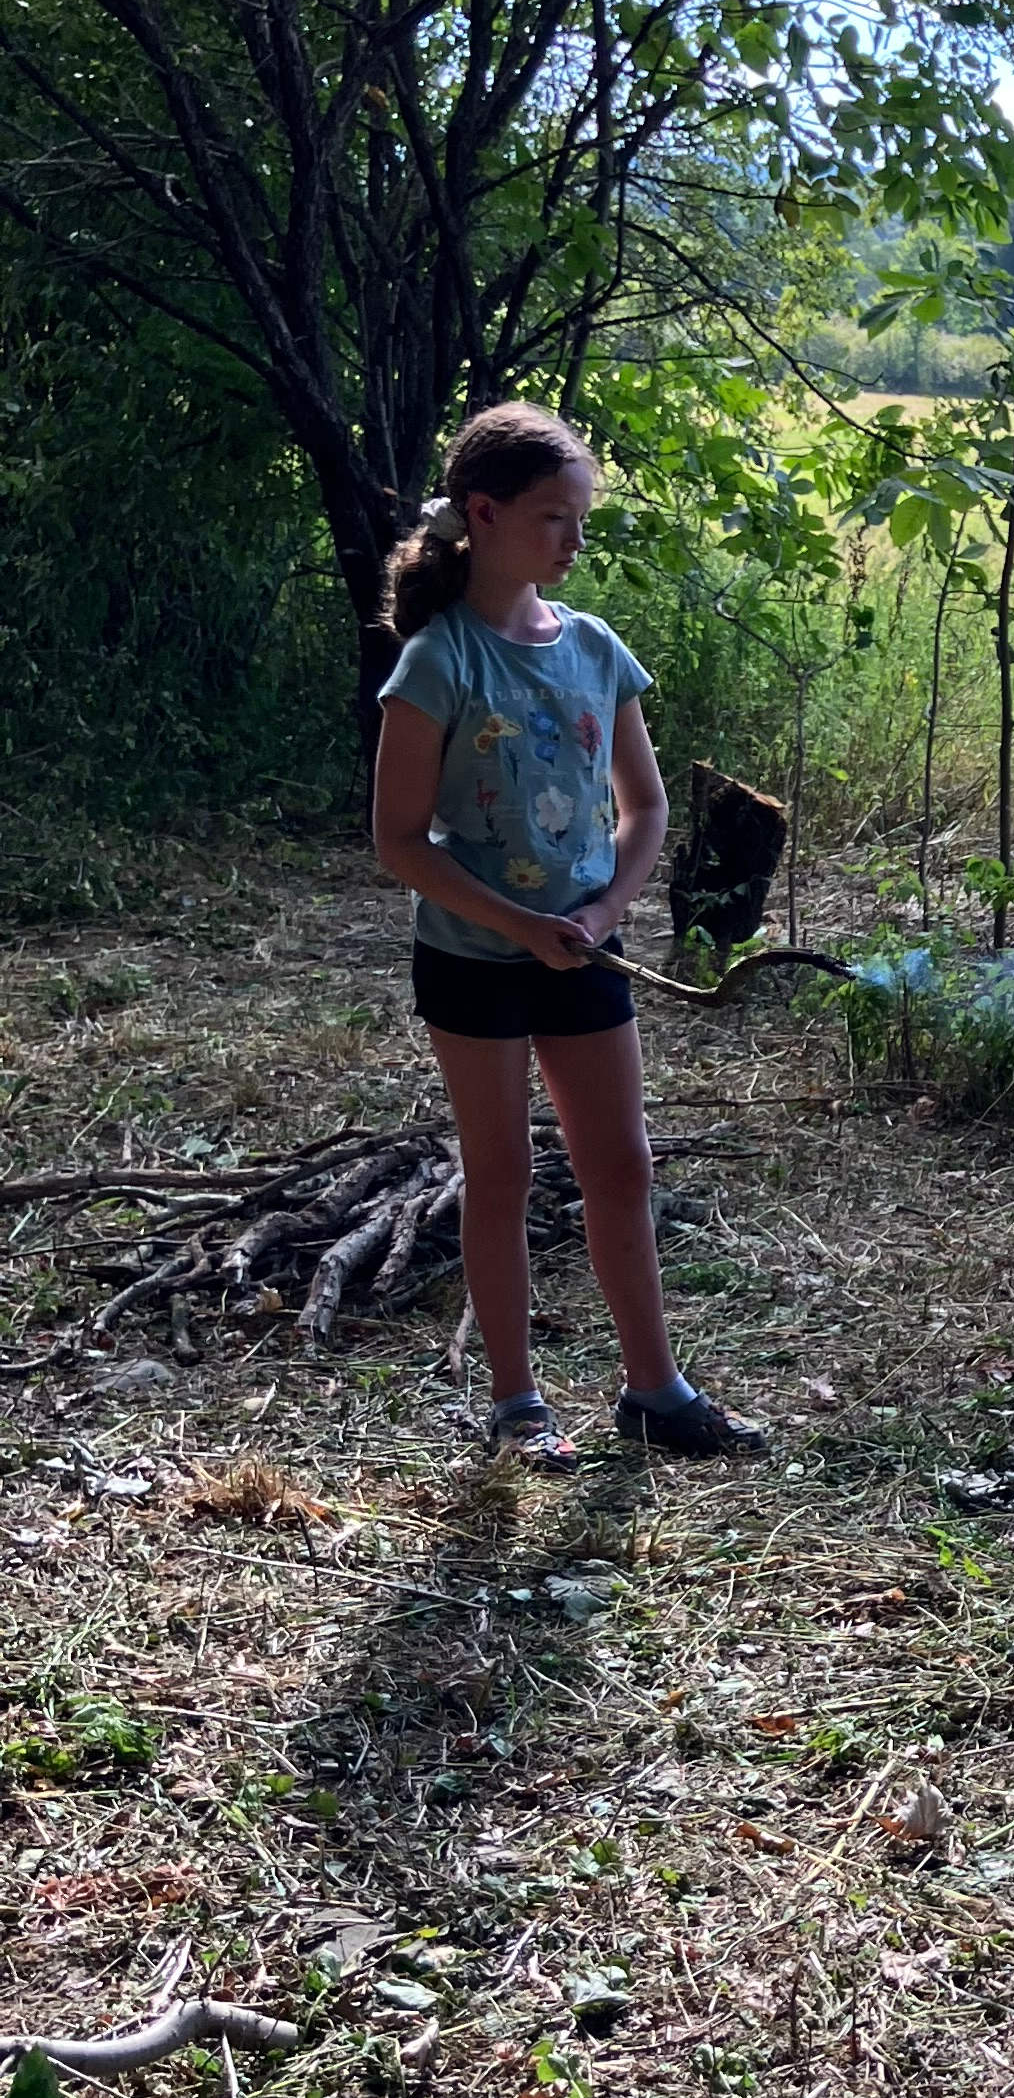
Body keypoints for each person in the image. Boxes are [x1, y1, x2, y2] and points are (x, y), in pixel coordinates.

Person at [371, 402, 765, 1467]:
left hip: (585, 953)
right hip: (472, 962)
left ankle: (655, 1389)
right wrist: (517, 923)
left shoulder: (595, 649)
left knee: (620, 1165)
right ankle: (517, 1408)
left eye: (580, 518)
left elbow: (646, 810)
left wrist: (599, 913)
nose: (574, 541)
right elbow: (400, 839)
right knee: (498, 1177)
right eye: (554, 518)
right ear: (486, 515)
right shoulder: (438, 662)